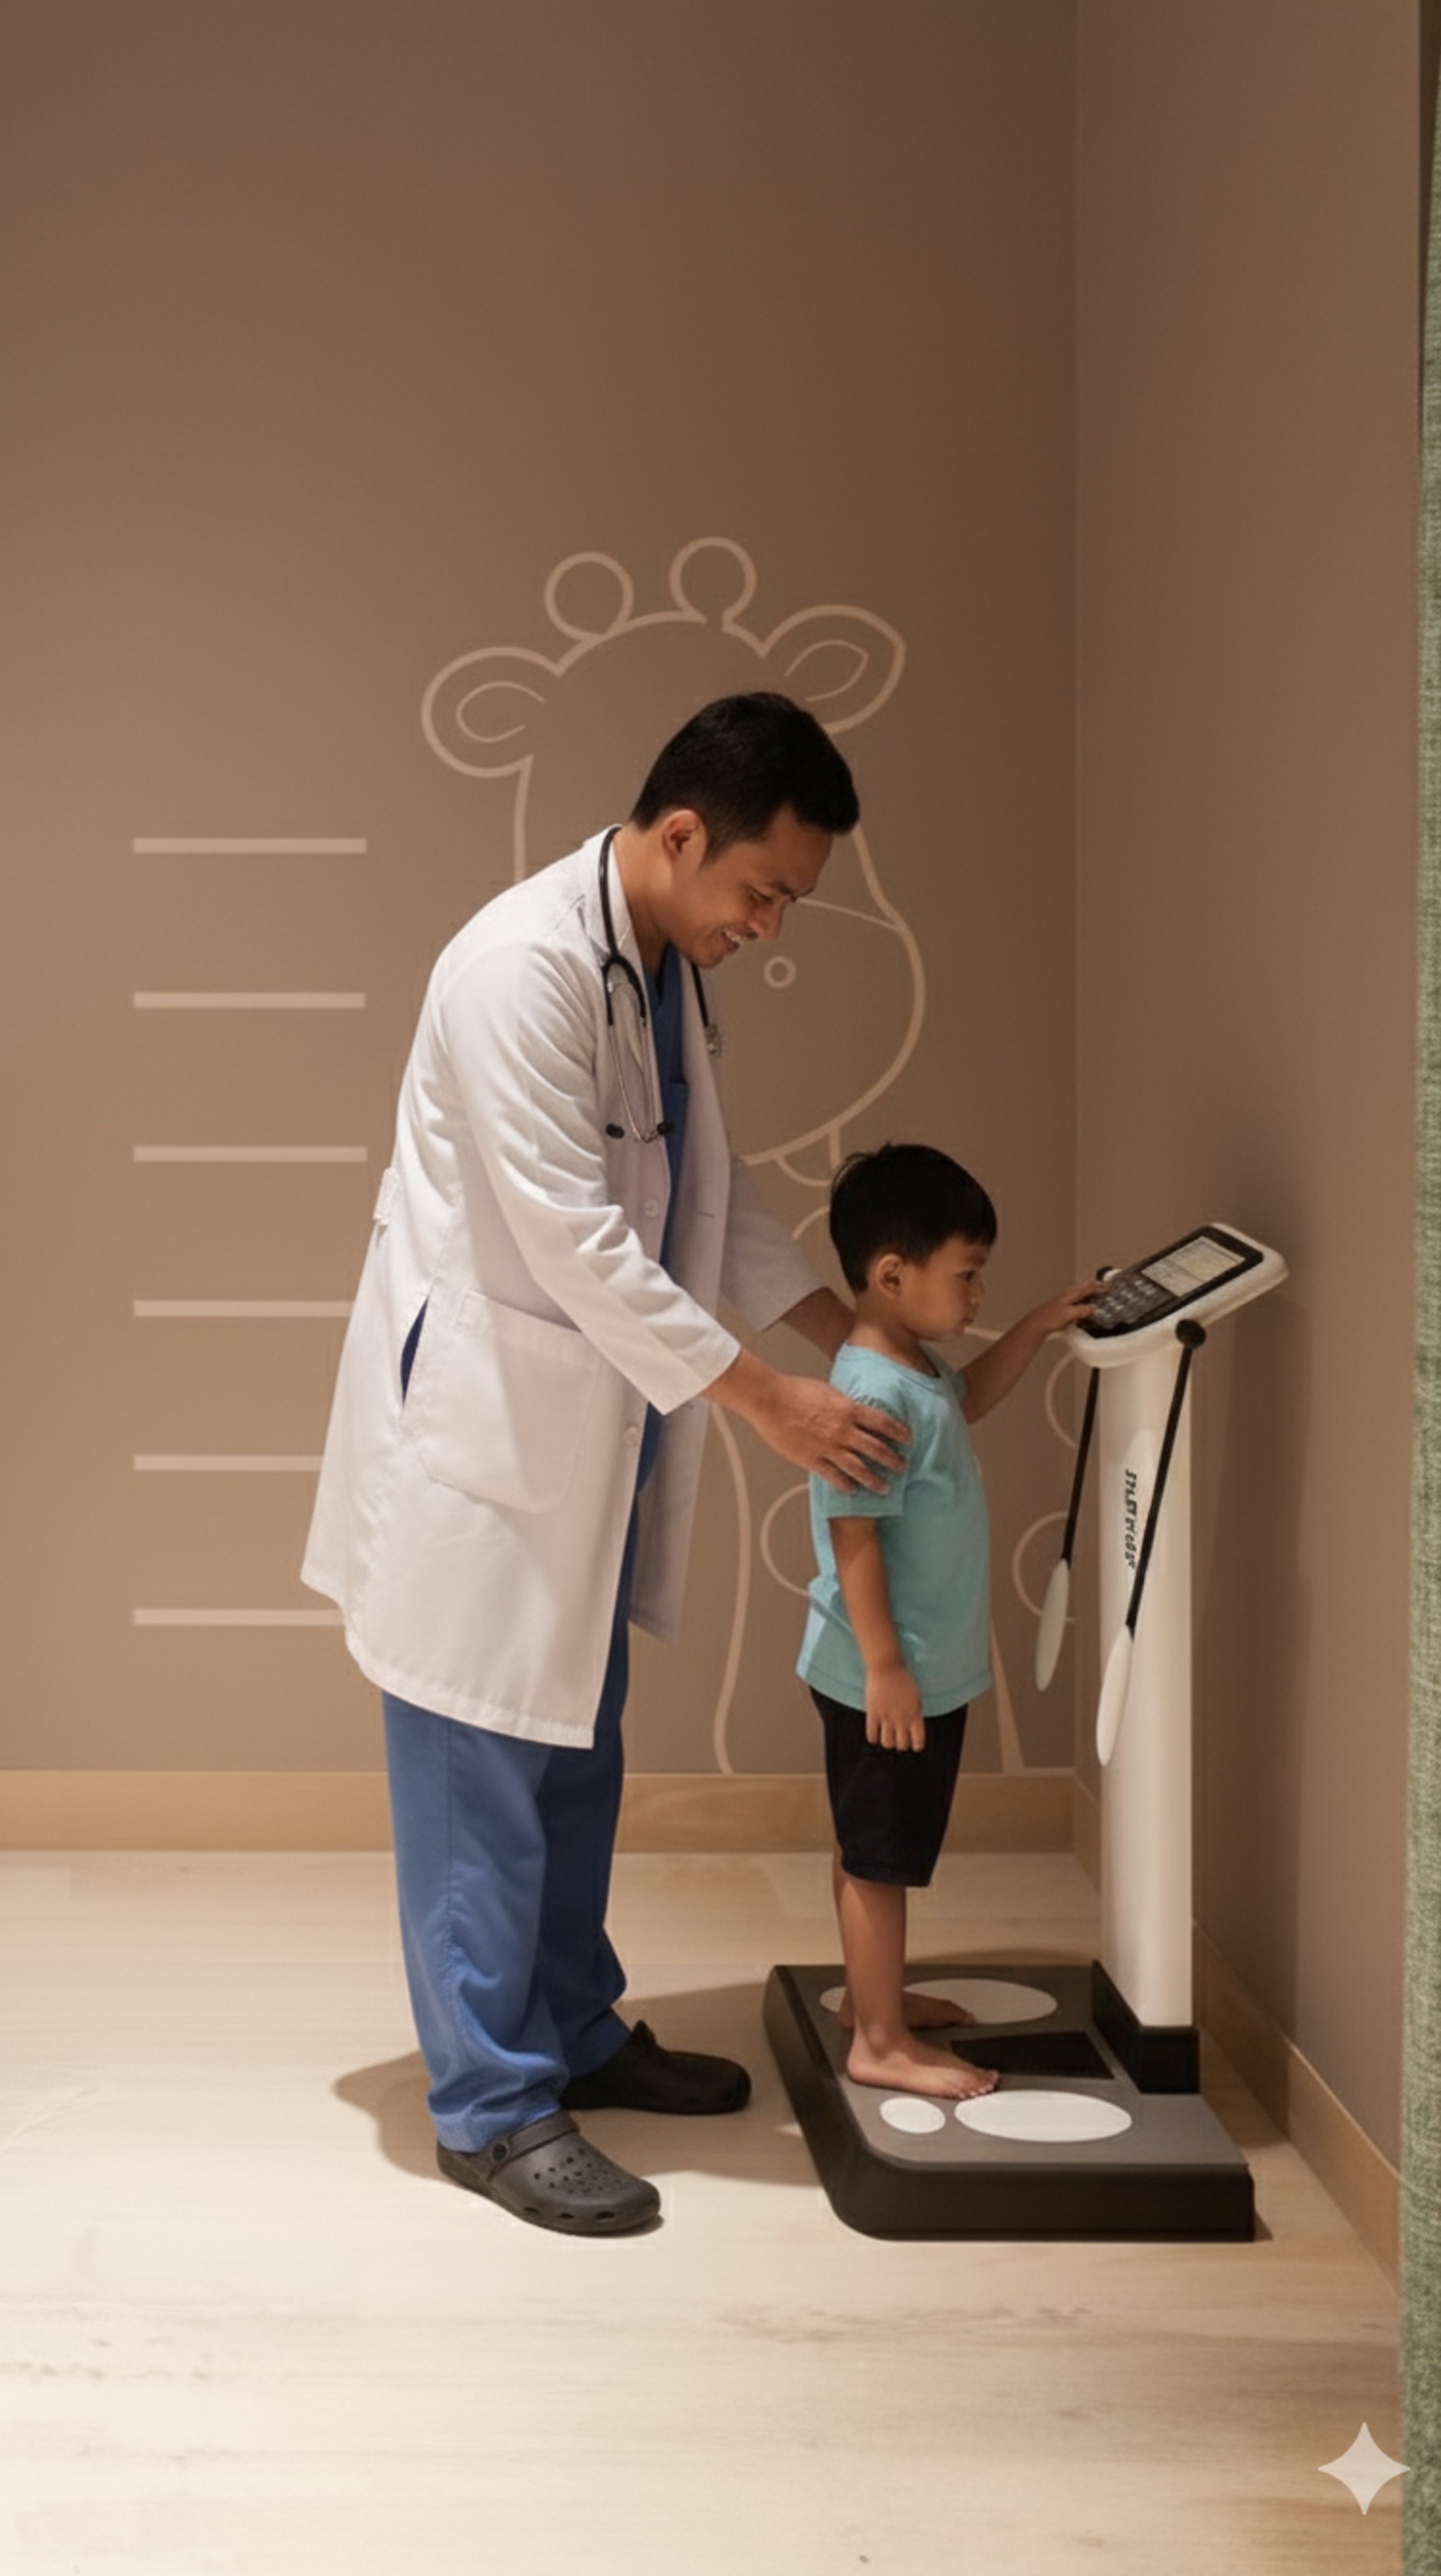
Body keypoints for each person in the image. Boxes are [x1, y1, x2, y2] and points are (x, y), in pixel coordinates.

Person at [303, 692, 909, 2235]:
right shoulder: (521, 967)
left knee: (578, 1753)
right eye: (761, 891)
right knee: (483, 1765)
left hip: (590, 1426)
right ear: (682, 834)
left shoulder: (658, 968)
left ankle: (569, 2026)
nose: (768, 927)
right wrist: (772, 1400)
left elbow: (709, 1200)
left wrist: (853, 1332)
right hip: (490, 1432)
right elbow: (574, 1238)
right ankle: (491, 2109)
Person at [796, 1143, 1099, 2098]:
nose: (976, 1296)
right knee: (879, 1857)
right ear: (893, 1276)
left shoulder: (913, 1371)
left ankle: (872, 1998)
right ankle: (879, 2039)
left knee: (873, 1844)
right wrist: (887, 1668)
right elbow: (855, 1537)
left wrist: (1041, 1326)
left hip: (907, 1667)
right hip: (892, 1675)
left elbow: (968, 1399)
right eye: (966, 1276)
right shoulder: (873, 1393)